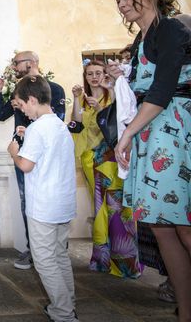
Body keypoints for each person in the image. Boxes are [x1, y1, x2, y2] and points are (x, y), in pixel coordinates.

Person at [110, 0, 191, 320]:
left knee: (185, 225)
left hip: (173, 127)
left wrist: (126, 136)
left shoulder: (171, 29)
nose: (122, 4)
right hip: (150, 131)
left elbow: (161, 90)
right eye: (118, 0)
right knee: (161, 228)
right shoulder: (139, 42)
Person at [7, 75, 78, 322]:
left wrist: (14, 152)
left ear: (33, 99)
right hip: (63, 202)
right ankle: (68, 303)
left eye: (22, 104)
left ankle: (64, 313)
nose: (23, 110)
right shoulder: (59, 124)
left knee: (45, 260)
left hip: (44, 206)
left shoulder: (37, 128)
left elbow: (26, 165)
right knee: (60, 255)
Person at [0, 51, 66, 270]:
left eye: (17, 63)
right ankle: (34, 249)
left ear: (31, 63)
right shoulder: (18, 90)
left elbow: (58, 119)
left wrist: (30, 129)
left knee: (49, 195)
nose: (14, 67)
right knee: (26, 200)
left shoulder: (54, 88)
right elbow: (3, 114)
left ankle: (56, 248)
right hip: (23, 153)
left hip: (45, 153)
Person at [69, 59, 141, 277]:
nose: (94, 77)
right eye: (90, 73)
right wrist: (76, 99)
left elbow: (118, 124)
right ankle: (103, 259)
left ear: (104, 74)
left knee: (118, 208)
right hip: (90, 159)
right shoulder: (82, 99)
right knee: (99, 208)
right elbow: (76, 124)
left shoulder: (113, 95)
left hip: (111, 158)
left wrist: (100, 108)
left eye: (98, 72)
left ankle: (125, 263)